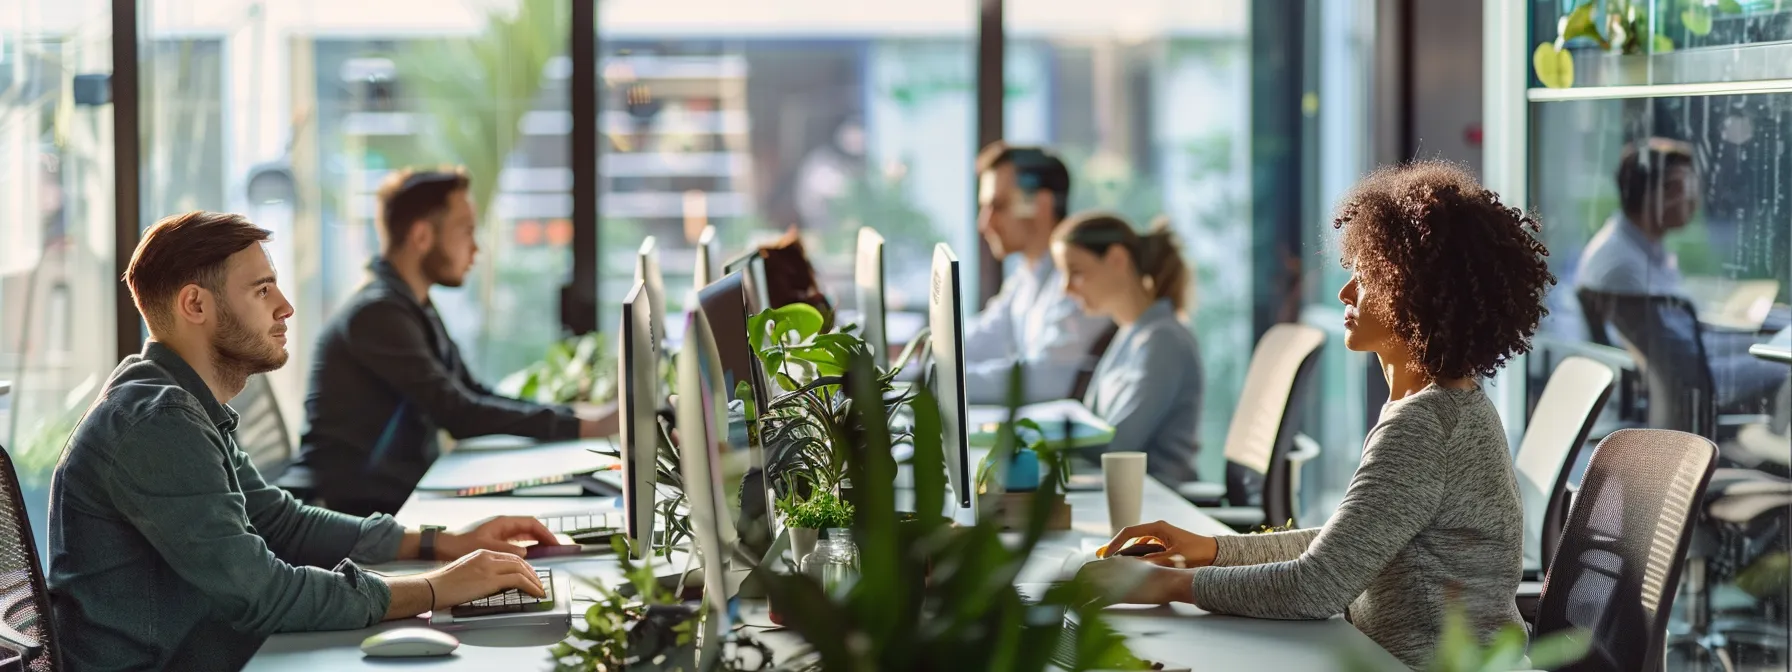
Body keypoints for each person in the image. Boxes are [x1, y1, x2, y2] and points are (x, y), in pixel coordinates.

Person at [1076, 162, 1551, 670]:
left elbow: (1316, 585)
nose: (1346, 293)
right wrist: (1211, 550)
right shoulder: (1442, 406)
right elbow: (1343, 548)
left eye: (1366, 276)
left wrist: (1170, 584)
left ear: (1416, 294)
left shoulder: (1425, 425)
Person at [49, 211, 560, 671]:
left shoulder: (180, 402)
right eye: (262, 290)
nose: (286, 307)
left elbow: (280, 522)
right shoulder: (157, 422)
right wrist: (435, 587)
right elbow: (263, 594)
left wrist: (442, 542)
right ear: (195, 304)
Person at [287, 168, 613, 517]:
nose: (476, 248)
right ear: (422, 236)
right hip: (345, 512)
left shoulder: (414, 305)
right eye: (466, 230)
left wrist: (578, 417)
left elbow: (471, 391)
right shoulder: (378, 313)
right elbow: (459, 413)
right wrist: (585, 426)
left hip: (390, 500)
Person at [1577, 137, 1787, 415]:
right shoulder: (1621, 265)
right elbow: (1684, 363)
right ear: (1658, 194)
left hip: (1683, 375)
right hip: (1691, 388)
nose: (1694, 200)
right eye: (1684, 188)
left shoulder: (1634, 247)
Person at [1050, 213, 1202, 487]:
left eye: (1076, 272)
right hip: (1121, 490)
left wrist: (1038, 436)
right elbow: (1091, 421)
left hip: (1156, 500)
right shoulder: (1130, 333)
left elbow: (1117, 446)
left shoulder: (1163, 340)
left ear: (1117, 259)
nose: (1066, 288)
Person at [966, 142, 1109, 404]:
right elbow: (982, 339)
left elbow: (1048, 378)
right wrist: (917, 362)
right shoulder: (1027, 277)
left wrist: (945, 384)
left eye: (998, 206)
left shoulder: (1078, 281)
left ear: (1041, 205)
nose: (984, 223)